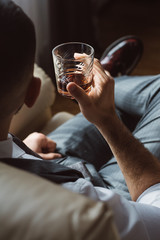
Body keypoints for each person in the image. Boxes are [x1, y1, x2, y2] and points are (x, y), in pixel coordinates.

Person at [0, 1, 160, 239]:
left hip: (35, 157)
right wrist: (107, 122)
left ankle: (102, 86)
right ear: (32, 93)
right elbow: (156, 219)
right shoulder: (83, 210)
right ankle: (103, 83)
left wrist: (19, 151)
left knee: (119, 104)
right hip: (80, 186)